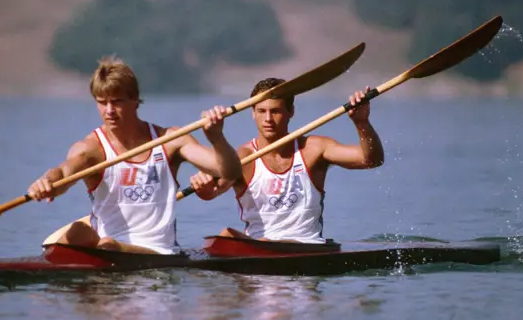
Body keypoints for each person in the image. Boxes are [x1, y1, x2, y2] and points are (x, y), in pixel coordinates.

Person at [28, 56, 242, 254]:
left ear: (136, 100)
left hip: (158, 252)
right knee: (78, 232)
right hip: (107, 246)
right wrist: (47, 182)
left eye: (117, 101)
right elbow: (64, 172)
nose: (109, 110)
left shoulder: (170, 140)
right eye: (102, 102)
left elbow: (229, 171)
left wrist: (216, 137)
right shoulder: (90, 149)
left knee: (106, 244)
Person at [189, 78, 384, 243]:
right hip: (258, 250)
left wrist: (361, 123)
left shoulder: (314, 149)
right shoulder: (243, 157)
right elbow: (212, 191)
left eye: (275, 111)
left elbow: (371, 160)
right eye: (261, 111)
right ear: (252, 113)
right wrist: (203, 186)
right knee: (225, 237)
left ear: (291, 112)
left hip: (307, 249)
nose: (268, 119)